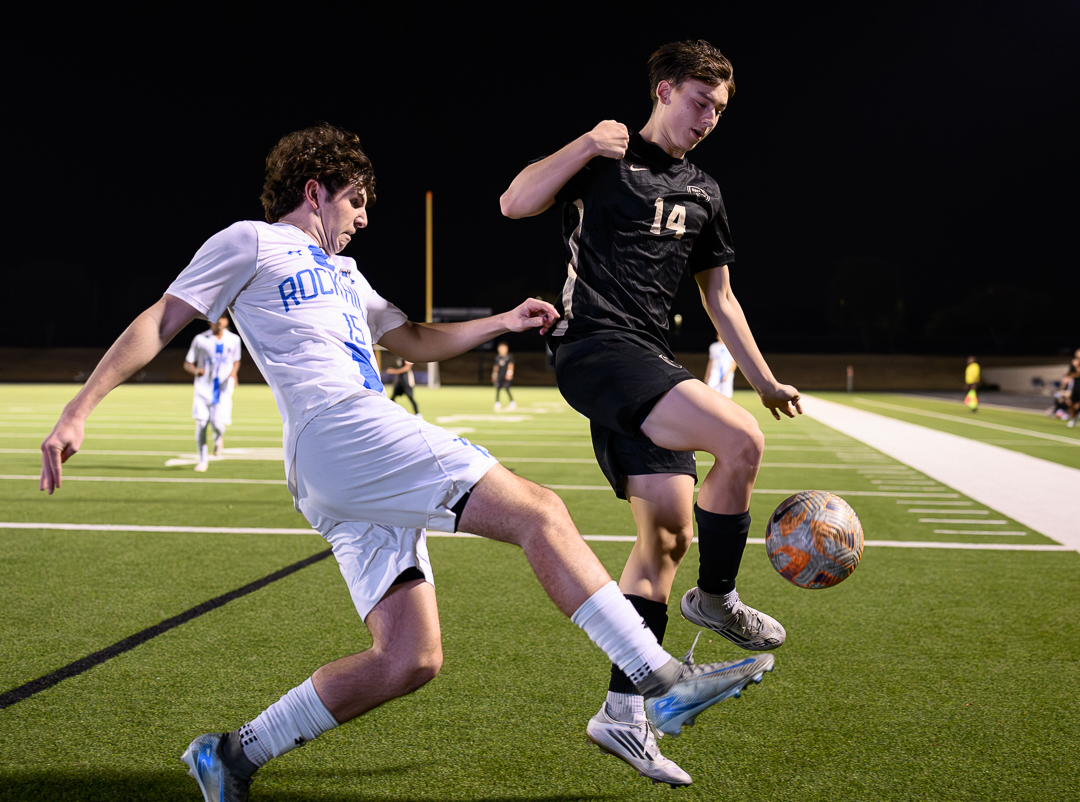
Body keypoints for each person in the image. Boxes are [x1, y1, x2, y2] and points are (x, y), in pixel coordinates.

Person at [40, 123, 775, 801]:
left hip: (342, 468)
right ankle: (660, 679)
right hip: (339, 429)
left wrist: (504, 321)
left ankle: (232, 755)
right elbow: (161, 319)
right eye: (356, 201)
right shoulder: (250, 242)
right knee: (539, 512)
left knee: (408, 659)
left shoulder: (347, 275)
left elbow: (415, 340)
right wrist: (79, 409)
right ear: (314, 191)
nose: (363, 218)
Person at [501, 40, 801, 786]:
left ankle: (622, 715)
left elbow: (720, 299)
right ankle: (718, 598)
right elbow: (514, 203)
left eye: (719, 110)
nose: (708, 119)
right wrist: (583, 144)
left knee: (666, 537)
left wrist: (764, 379)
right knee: (740, 440)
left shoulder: (705, 190)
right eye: (700, 102)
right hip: (594, 349)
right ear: (664, 90)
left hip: (650, 361)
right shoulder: (605, 157)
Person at [183, 314, 243, 471]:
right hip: (203, 388)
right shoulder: (200, 339)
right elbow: (188, 363)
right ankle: (202, 460)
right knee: (201, 424)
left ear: (227, 321)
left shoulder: (234, 339)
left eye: (223, 318)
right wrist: (195, 371)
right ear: (209, 321)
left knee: (217, 424)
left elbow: (236, 360)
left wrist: (234, 374)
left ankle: (218, 437)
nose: (220, 321)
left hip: (223, 388)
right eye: (217, 318)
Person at [705, 333, 736, 399]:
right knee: (711, 391)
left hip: (727, 372)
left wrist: (727, 374)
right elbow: (711, 361)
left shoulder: (731, 347)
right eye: (720, 335)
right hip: (715, 372)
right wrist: (707, 375)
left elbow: (733, 363)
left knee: (726, 394)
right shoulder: (713, 347)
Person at [492, 341, 516, 411]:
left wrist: (509, 374)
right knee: (498, 389)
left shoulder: (508, 357)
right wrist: (494, 375)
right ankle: (497, 402)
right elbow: (496, 367)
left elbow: (511, 365)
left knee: (507, 388)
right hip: (499, 376)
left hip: (505, 376)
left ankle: (512, 402)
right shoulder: (498, 357)